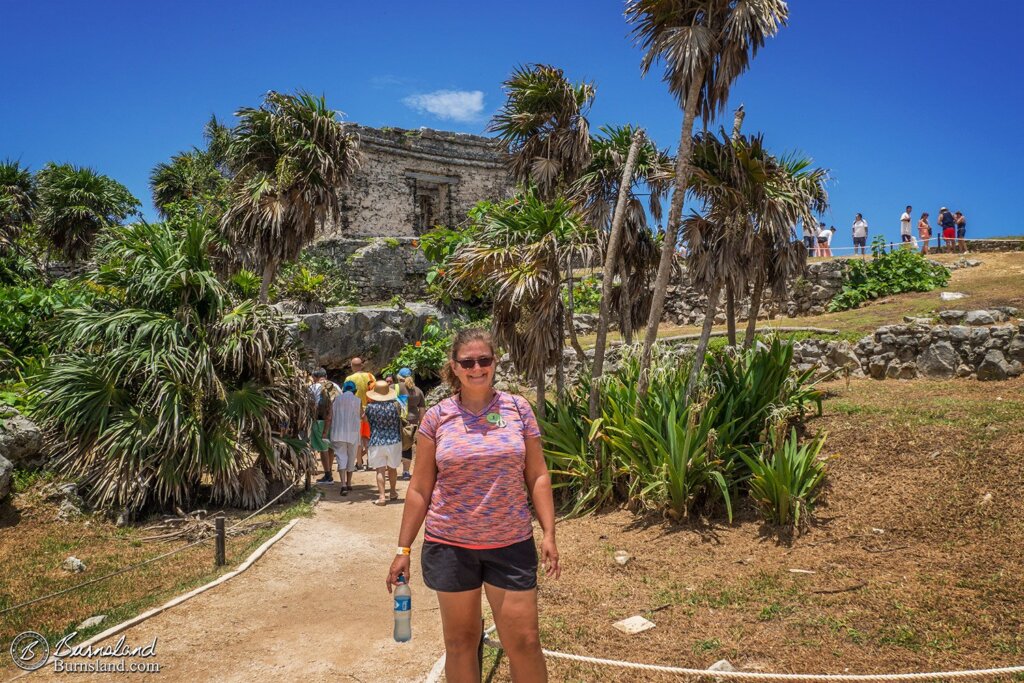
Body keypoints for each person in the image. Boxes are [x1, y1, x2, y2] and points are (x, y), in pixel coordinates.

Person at [386, 328, 560, 683]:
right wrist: (403, 548)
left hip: (510, 543)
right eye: (468, 362)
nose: (477, 368)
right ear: (454, 366)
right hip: (450, 545)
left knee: (525, 642)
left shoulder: (518, 408)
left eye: (484, 360)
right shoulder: (436, 417)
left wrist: (549, 532)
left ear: (495, 362)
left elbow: (538, 475)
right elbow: (419, 488)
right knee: (461, 642)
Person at [364, 379, 403, 505]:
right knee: (392, 468)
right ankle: (392, 492)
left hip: (376, 441)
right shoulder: (396, 405)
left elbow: (365, 421)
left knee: (380, 470)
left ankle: (381, 497)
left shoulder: (370, 408)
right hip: (394, 440)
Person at [331, 381, 362, 495]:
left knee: (341, 457)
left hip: (338, 432)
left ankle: (343, 484)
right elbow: (362, 415)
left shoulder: (336, 400)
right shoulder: (358, 400)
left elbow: (330, 415)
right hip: (353, 433)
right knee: (351, 457)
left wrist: (325, 432)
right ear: (354, 390)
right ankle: (349, 483)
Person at [345, 357, 375, 470]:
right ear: (362, 365)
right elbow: (375, 391)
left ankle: (359, 464)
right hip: (368, 411)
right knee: (367, 438)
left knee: (357, 439)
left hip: (354, 412)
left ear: (352, 366)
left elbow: (347, 394)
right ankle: (371, 462)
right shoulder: (370, 376)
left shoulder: (349, 378)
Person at [309, 368, 335, 483]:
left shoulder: (313, 387)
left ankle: (328, 475)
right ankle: (329, 471)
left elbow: (309, 403)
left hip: (319, 421)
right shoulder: (335, 386)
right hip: (334, 421)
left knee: (323, 449)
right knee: (330, 447)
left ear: (315, 377)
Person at [399, 367, 425, 481]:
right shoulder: (418, 390)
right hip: (413, 422)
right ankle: (405, 472)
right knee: (407, 447)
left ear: (399, 376)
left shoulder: (394, 388)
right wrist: (421, 426)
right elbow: (422, 411)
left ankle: (390, 470)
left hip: (398, 421)